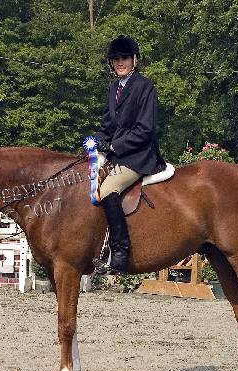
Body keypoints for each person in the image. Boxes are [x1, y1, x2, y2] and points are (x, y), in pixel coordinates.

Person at [92, 35, 163, 275]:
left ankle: (120, 253)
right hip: (116, 154)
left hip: (138, 155)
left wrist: (115, 146)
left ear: (134, 60)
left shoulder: (145, 87)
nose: (120, 62)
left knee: (108, 189)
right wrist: (95, 143)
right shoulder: (114, 88)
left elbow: (145, 129)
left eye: (124, 57)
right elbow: (107, 126)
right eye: (115, 59)